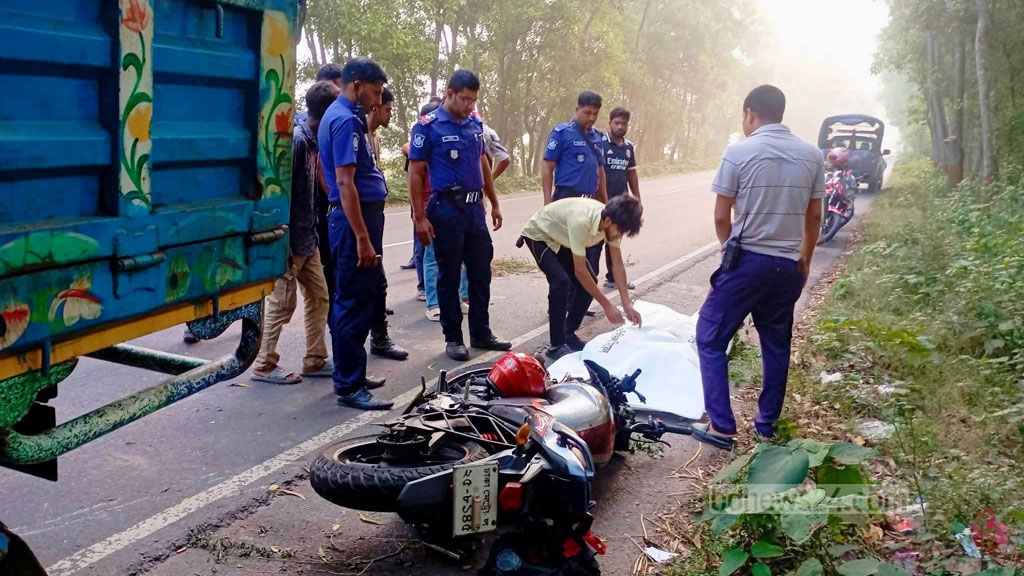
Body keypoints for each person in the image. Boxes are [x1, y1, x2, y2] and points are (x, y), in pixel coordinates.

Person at [695, 85, 824, 442]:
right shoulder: (813, 155)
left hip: (747, 262)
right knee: (776, 344)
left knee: (710, 335)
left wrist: (730, 253)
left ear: (750, 113)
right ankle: (765, 425)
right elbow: (815, 217)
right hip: (788, 266)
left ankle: (721, 424)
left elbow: (722, 217)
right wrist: (805, 259)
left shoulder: (738, 152)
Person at [408, 69, 510, 361]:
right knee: (449, 275)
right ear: (449, 93)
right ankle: (453, 338)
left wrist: (494, 201)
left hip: (474, 210)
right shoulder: (427, 127)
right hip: (446, 209)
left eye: (474, 101)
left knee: (480, 272)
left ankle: (481, 332)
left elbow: (482, 163)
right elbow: (415, 174)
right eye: (465, 99)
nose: (470, 106)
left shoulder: (474, 123)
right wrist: (419, 217)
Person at [248, 82, 337, 385]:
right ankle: (263, 363)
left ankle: (315, 359)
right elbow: (281, 195)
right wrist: (283, 238)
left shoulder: (313, 139)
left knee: (319, 296)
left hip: (307, 236)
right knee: (283, 303)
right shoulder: (298, 141)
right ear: (325, 112)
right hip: (290, 239)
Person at [318, 57, 394, 410]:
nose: (377, 100)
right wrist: (362, 237)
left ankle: (352, 373)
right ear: (357, 84)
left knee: (356, 299)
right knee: (352, 301)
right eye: (375, 92)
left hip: (357, 219)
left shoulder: (342, 116)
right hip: (354, 222)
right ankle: (349, 386)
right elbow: (345, 182)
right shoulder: (345, 120)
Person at [520, 195, 644, 360]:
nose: (619, 235)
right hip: (540, 235)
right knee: (561, 281)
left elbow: (618, 265)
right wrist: (607, 305)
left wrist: (627, 304)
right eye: (620, 231)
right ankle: (556, 345)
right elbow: (580, 271)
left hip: (563, 239)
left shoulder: (612, 225)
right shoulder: (582, 221)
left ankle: (568, 333)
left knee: (589, 284)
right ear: (607, 221)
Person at [542, 91, 608, 281]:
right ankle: (561, 306)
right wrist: (548, 203)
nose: (592, 118)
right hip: (567, 200)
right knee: (566, 256)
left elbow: (600, 171)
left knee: (592, 253)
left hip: (591, 203)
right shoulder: (562, 133)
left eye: (595, 114)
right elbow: (547, 166)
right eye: (587, 113)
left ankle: (581, 304)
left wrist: (606, 201)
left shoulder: (597, 138)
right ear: (577, 109)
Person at [364, 88, 409, 361]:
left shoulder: (375, 136)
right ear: (375, 107)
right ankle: (374, 340)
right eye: (388, 108)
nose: (390, 113)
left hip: (375, 214)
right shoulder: (355, 133)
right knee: (367, 281)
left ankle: (379, 338)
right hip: (361, 217)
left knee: (377, 279)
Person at [402, 96, 446, 273]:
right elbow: (412, 175)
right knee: (424, 248)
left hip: (439, 203)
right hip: (422, 203)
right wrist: (417, 212)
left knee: (439, 249)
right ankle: (423, 287)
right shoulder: (418, 144)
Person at [601, 107, 640, 290]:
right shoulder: (601, 144)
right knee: (594, 244)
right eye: (616, 123)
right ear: (610, 123)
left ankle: (613, 278)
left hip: (620, 203)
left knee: (614, 240)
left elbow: (632, 175)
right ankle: (585, 284)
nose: (620, 126)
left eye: (623, 123)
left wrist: (637, 198)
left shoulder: (628, 148)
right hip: (600, 201)